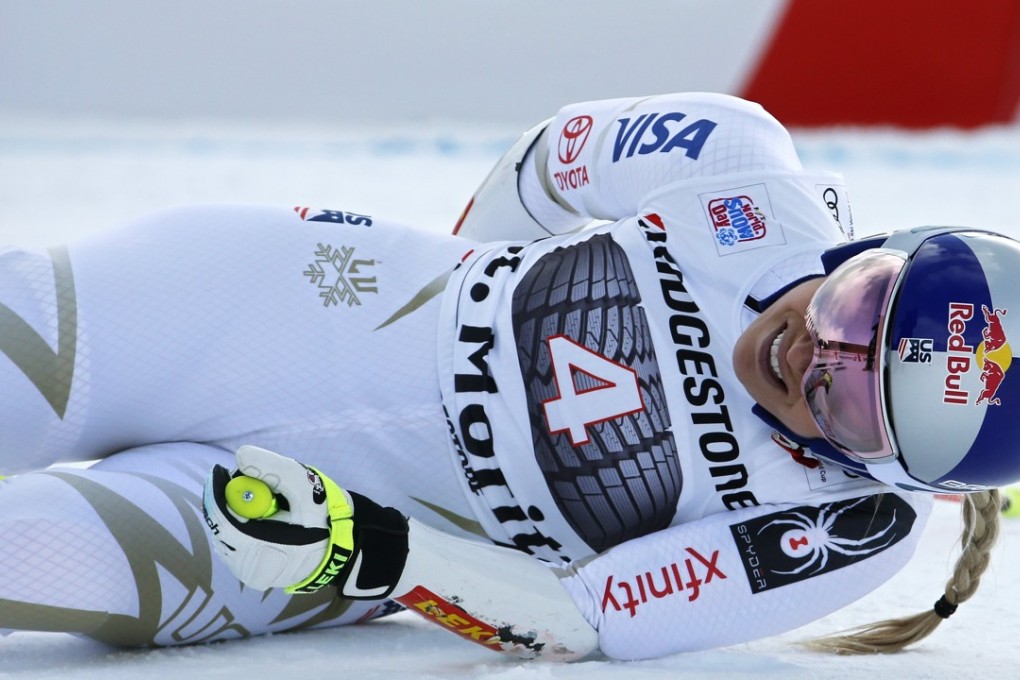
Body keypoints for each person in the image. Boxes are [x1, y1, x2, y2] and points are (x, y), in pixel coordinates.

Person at [0, 92, 1016, 660]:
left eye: (848, 398)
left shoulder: (850, 532)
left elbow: (589, 617)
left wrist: (378, 554)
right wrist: (442, 293)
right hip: (259, 305)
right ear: (881, 243)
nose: (809, 353)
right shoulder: (741, 161)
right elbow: (548, 161)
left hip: (299, 532)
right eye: (858, 308)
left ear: (896, 476)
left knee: (24, 556)